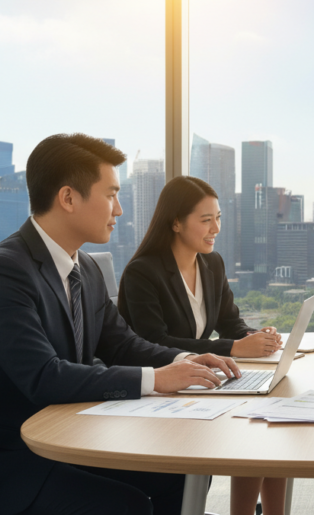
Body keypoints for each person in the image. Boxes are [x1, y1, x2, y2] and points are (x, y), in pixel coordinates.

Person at [0, 134, 241, 515]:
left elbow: (123, 344)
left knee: (180, 475)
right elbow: (43, 377)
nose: (119, 209)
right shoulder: (2, 272)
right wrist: (156, 379)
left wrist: (187, 361)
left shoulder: (84, 268)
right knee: (125, 506)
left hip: (61, 437)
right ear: (68, 198)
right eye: (111, 194)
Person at [118, 175, 287, 515]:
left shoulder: (212, 263)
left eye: (219, 218)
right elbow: (154, 341)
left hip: (198, 386)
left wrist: (258, 337)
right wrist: (235, 349)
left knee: (267, 421)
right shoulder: (142, 272)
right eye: (206, 220)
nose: (216, 228)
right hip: (160, 394)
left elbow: (231, 323)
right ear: (177, 222)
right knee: (251, 428)